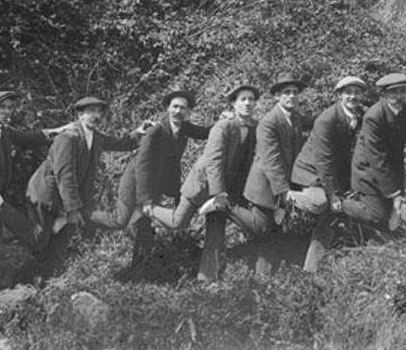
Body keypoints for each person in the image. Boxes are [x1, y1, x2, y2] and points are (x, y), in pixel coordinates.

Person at [151, 84, 265, 282]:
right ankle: (148, 208)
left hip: (224, 192)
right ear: (233, 104)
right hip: (202, 185)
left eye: (251, 99)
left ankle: (206, 279)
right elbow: (214, 160)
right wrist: (218, 193)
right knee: (179, 222)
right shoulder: (223, 126)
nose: (247, 103)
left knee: (215, 233)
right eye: (242, 99)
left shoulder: (255, 127)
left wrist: (229, 193)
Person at [26, 96, 142, 278]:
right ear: (80, 114)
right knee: (39, 239)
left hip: (65, 199)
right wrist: (72, 209)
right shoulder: (68, 137)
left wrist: (140, 132)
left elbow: (121, 143)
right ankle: (21, 279)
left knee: (60, 242)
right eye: (91, 111)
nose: (96, 116)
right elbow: (65, 175)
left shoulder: (95, 137)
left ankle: (51, 283)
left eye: (99, 112)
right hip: (46, 194)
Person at [0, 89, 66, 292]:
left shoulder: (3, 129)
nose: (8, 111)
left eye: (10, 107)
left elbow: (26, 138)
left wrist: (58, 131)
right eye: (2, 107)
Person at [115, 90, 211, 269]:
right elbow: (142, 166)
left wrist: (226, 120)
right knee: (127, 221)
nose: (178, 111)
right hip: (136, 182)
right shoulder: (155, 131)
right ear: (168, 108)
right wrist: (145, 199)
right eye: (174, 107)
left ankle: (142, 266)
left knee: (145, 225)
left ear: (188, 112)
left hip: (155, 183)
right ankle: (134, 268)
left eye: (183, 108)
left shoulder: (185, 128)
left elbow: (206, 132)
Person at [290, 76, 365, 271]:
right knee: (323, 203)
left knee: (333, 213)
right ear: (339, 95)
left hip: (332, 173)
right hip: (309, 172)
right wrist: (333, 194)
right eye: (348, 92)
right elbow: (323, 161)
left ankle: (311, 268)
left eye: (357, 92)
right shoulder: (326, 119)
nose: (353, 97)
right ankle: (288, 197)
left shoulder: (359, 116)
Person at [242, 73, 313, 273]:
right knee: (262, 231)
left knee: (274, 230)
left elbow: (312, 122)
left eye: (294, 93)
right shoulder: (269, 122)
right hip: (264, 186)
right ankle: (261, 279)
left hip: (282, 185)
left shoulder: (295, 117)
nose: (291, 96)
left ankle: (268, 276)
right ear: (277, 96)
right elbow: (271, 161)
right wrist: (284, 191)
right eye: (286, 93)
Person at [344, 73, 406, 233]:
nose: (399, 97)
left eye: (402, 91)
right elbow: (377, 159)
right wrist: (394, 194)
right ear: (383, 95)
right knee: (376, 216)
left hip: (392, 168)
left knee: (393, 218)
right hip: (368, 172)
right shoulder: (373, 117)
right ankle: (343, 204)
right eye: (393, 93)